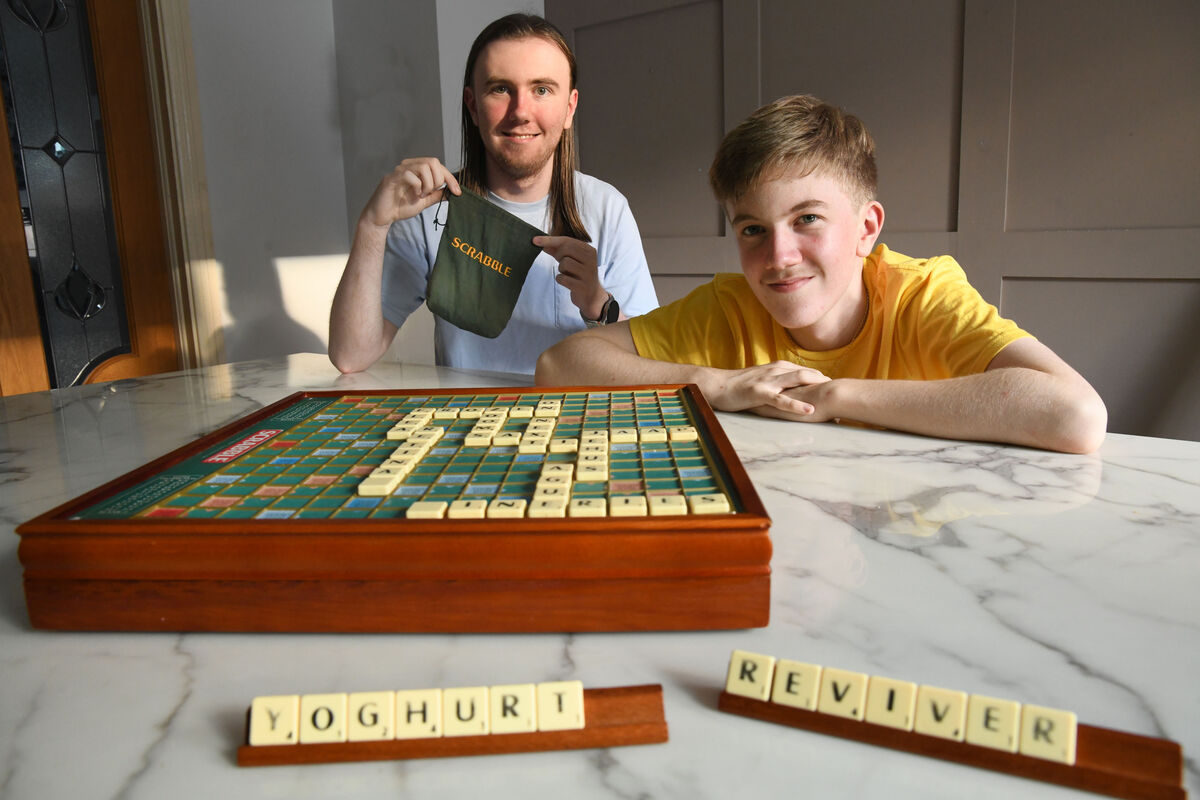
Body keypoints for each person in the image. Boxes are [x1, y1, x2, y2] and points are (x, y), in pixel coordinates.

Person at [536, 95, 1107, 454]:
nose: (779, 256)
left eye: (807, 219)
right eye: (752, 229)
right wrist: (719, 385)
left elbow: (1075, 414)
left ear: (866, 228)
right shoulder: (730, 305)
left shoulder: (923, 295)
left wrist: (835, 395)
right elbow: (560, 365)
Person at [329, 13, 657, 376]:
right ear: (472, 106)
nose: (521, 112)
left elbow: (651, 357)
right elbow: (350, 356)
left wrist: (599, 304)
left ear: (569, 108)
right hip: (465, 412)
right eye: (501, 88)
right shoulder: (429, 208)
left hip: (576, 410)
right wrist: (372, 226)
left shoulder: (607, 208)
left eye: (542, 90)